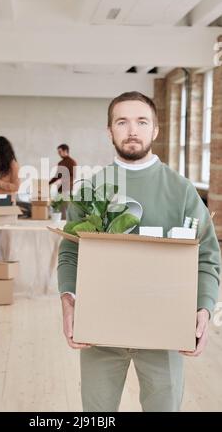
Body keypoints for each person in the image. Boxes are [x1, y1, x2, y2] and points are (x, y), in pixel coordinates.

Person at [58, 91, 221, 412]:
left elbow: (207, 256)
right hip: (100, 333)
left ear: (155, 130)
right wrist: (68, 302)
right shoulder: (91, 190)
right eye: (122, 121)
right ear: (110, 131)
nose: (132, 129)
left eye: (142, 121)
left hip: (166, 334)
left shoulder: (181, 190)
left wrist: (203, 309)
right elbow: (70, 253)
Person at [49, 144, 77, 218]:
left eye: (60, 151)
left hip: (67, 188)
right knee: (60, 207)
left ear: (65, 151)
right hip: (59, 189)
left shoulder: (72, 162)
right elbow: (57, 176)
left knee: (67, 206)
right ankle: (61, 222)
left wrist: (62, 181)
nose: (59, 153)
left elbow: (73, 176)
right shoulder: (60, 163)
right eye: (58, 152)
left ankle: (67, 222)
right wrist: (49, 183)